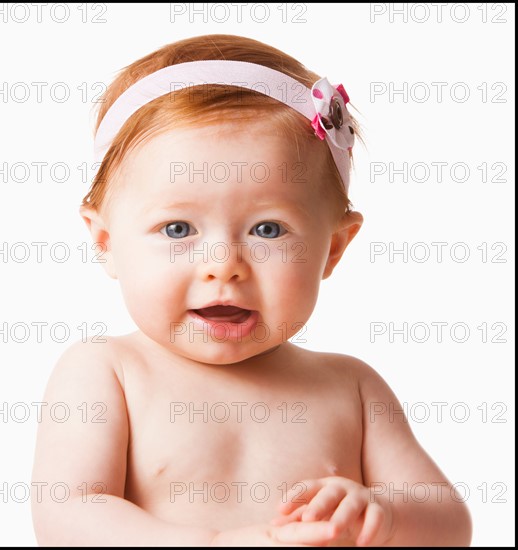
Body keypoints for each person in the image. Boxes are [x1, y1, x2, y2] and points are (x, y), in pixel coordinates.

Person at [31, 34, 472, 546]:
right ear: (106, 241)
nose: (224, 266)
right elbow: (69, 517)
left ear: (332, 248)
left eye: (268, 229)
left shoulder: (352, 388)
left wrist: (387, 518)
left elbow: (451, 527)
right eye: (178, 229)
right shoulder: (109, 372)